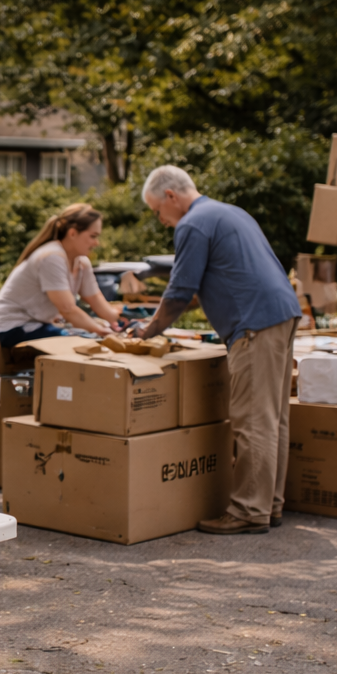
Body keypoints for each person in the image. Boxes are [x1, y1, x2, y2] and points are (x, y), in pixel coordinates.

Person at [135, 166, 303, 535]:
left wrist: (148, 331)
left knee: (253, 421)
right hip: (280, 314)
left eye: (157, 211)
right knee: (272, 418)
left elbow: (179, 292)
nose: (160, 220)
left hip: (254, 323)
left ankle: (249, 510)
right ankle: (269, 504)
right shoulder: (229, 212)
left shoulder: (192, 224)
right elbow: (204, 284)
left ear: (171, 196)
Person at [0, 203, 121, 348]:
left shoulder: (81, 263)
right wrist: (100, 331)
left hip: (38, 326)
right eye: (93, 236)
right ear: (73, 233)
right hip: (11, 329)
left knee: (87, 339)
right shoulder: (52, 257)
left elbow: (95, 299)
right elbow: (67, 309)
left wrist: (120, 321)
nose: (96, 243)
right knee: (83, 342)